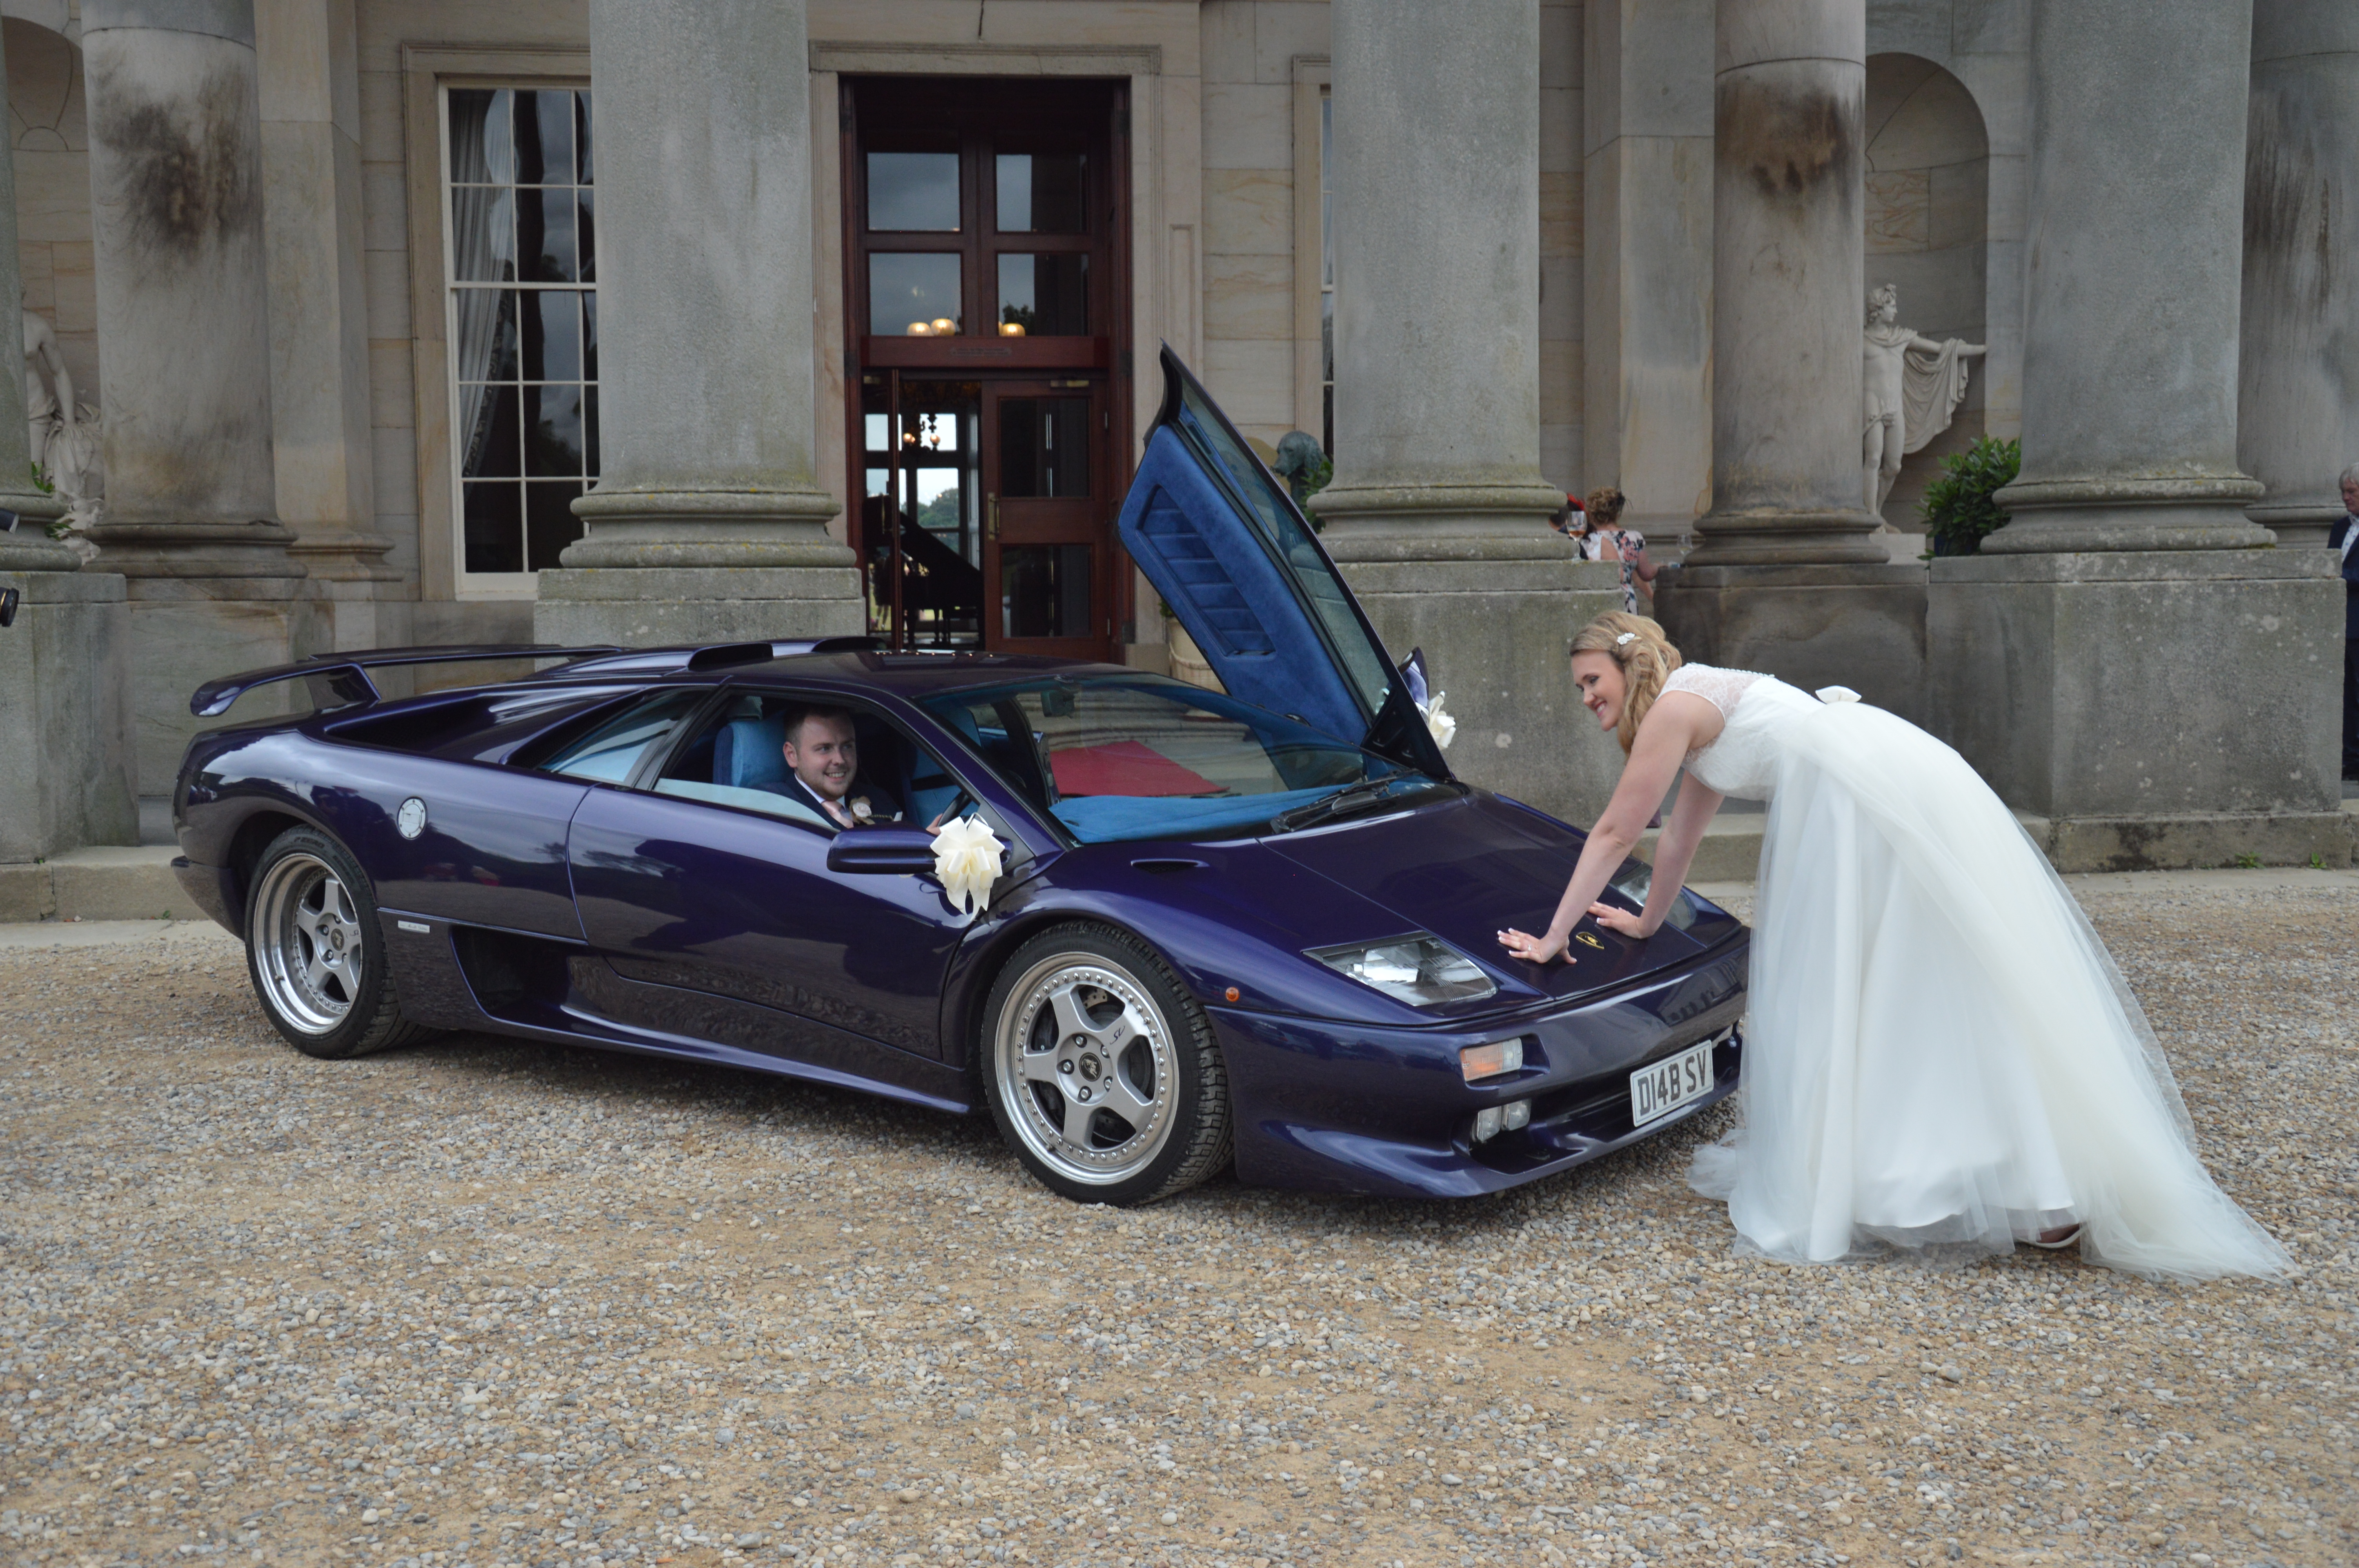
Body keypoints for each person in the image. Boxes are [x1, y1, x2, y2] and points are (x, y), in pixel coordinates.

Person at [1495, 612, 2288, 1281]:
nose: (1587, 697)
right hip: (1875, 776)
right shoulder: (1694, 708)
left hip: (1859, 801)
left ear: (1629, 665)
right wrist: (1643, 920)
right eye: (1580, 687)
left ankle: (2020, 1185)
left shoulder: (1675, 707)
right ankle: (2030, 1186)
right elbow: (1677, 838)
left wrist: (1553, 937)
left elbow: (1616, 830)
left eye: (1590, 680)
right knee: (1930, 979)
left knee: (1895, 984)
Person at [763, 707, 905, 829]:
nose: (840, 760)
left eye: (847, 747)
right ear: (792, 755)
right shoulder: (770, 811)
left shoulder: (879, 800)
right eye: (825, 749)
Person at [1567, 487, 1657, 613]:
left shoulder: (1586, 539)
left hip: (1596, 598)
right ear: (1617, 513)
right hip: (1625, 598)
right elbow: (1646, 574)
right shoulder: (1633, 538)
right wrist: (1659, 567)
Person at [2334, 464, 2359, 781]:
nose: (2345, 498)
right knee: (2346, 697)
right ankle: (2351, 760)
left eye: (2352, 491)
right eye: (2344, 492)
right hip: (2339, 623)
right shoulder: (2340, 527)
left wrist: (2337, 576)